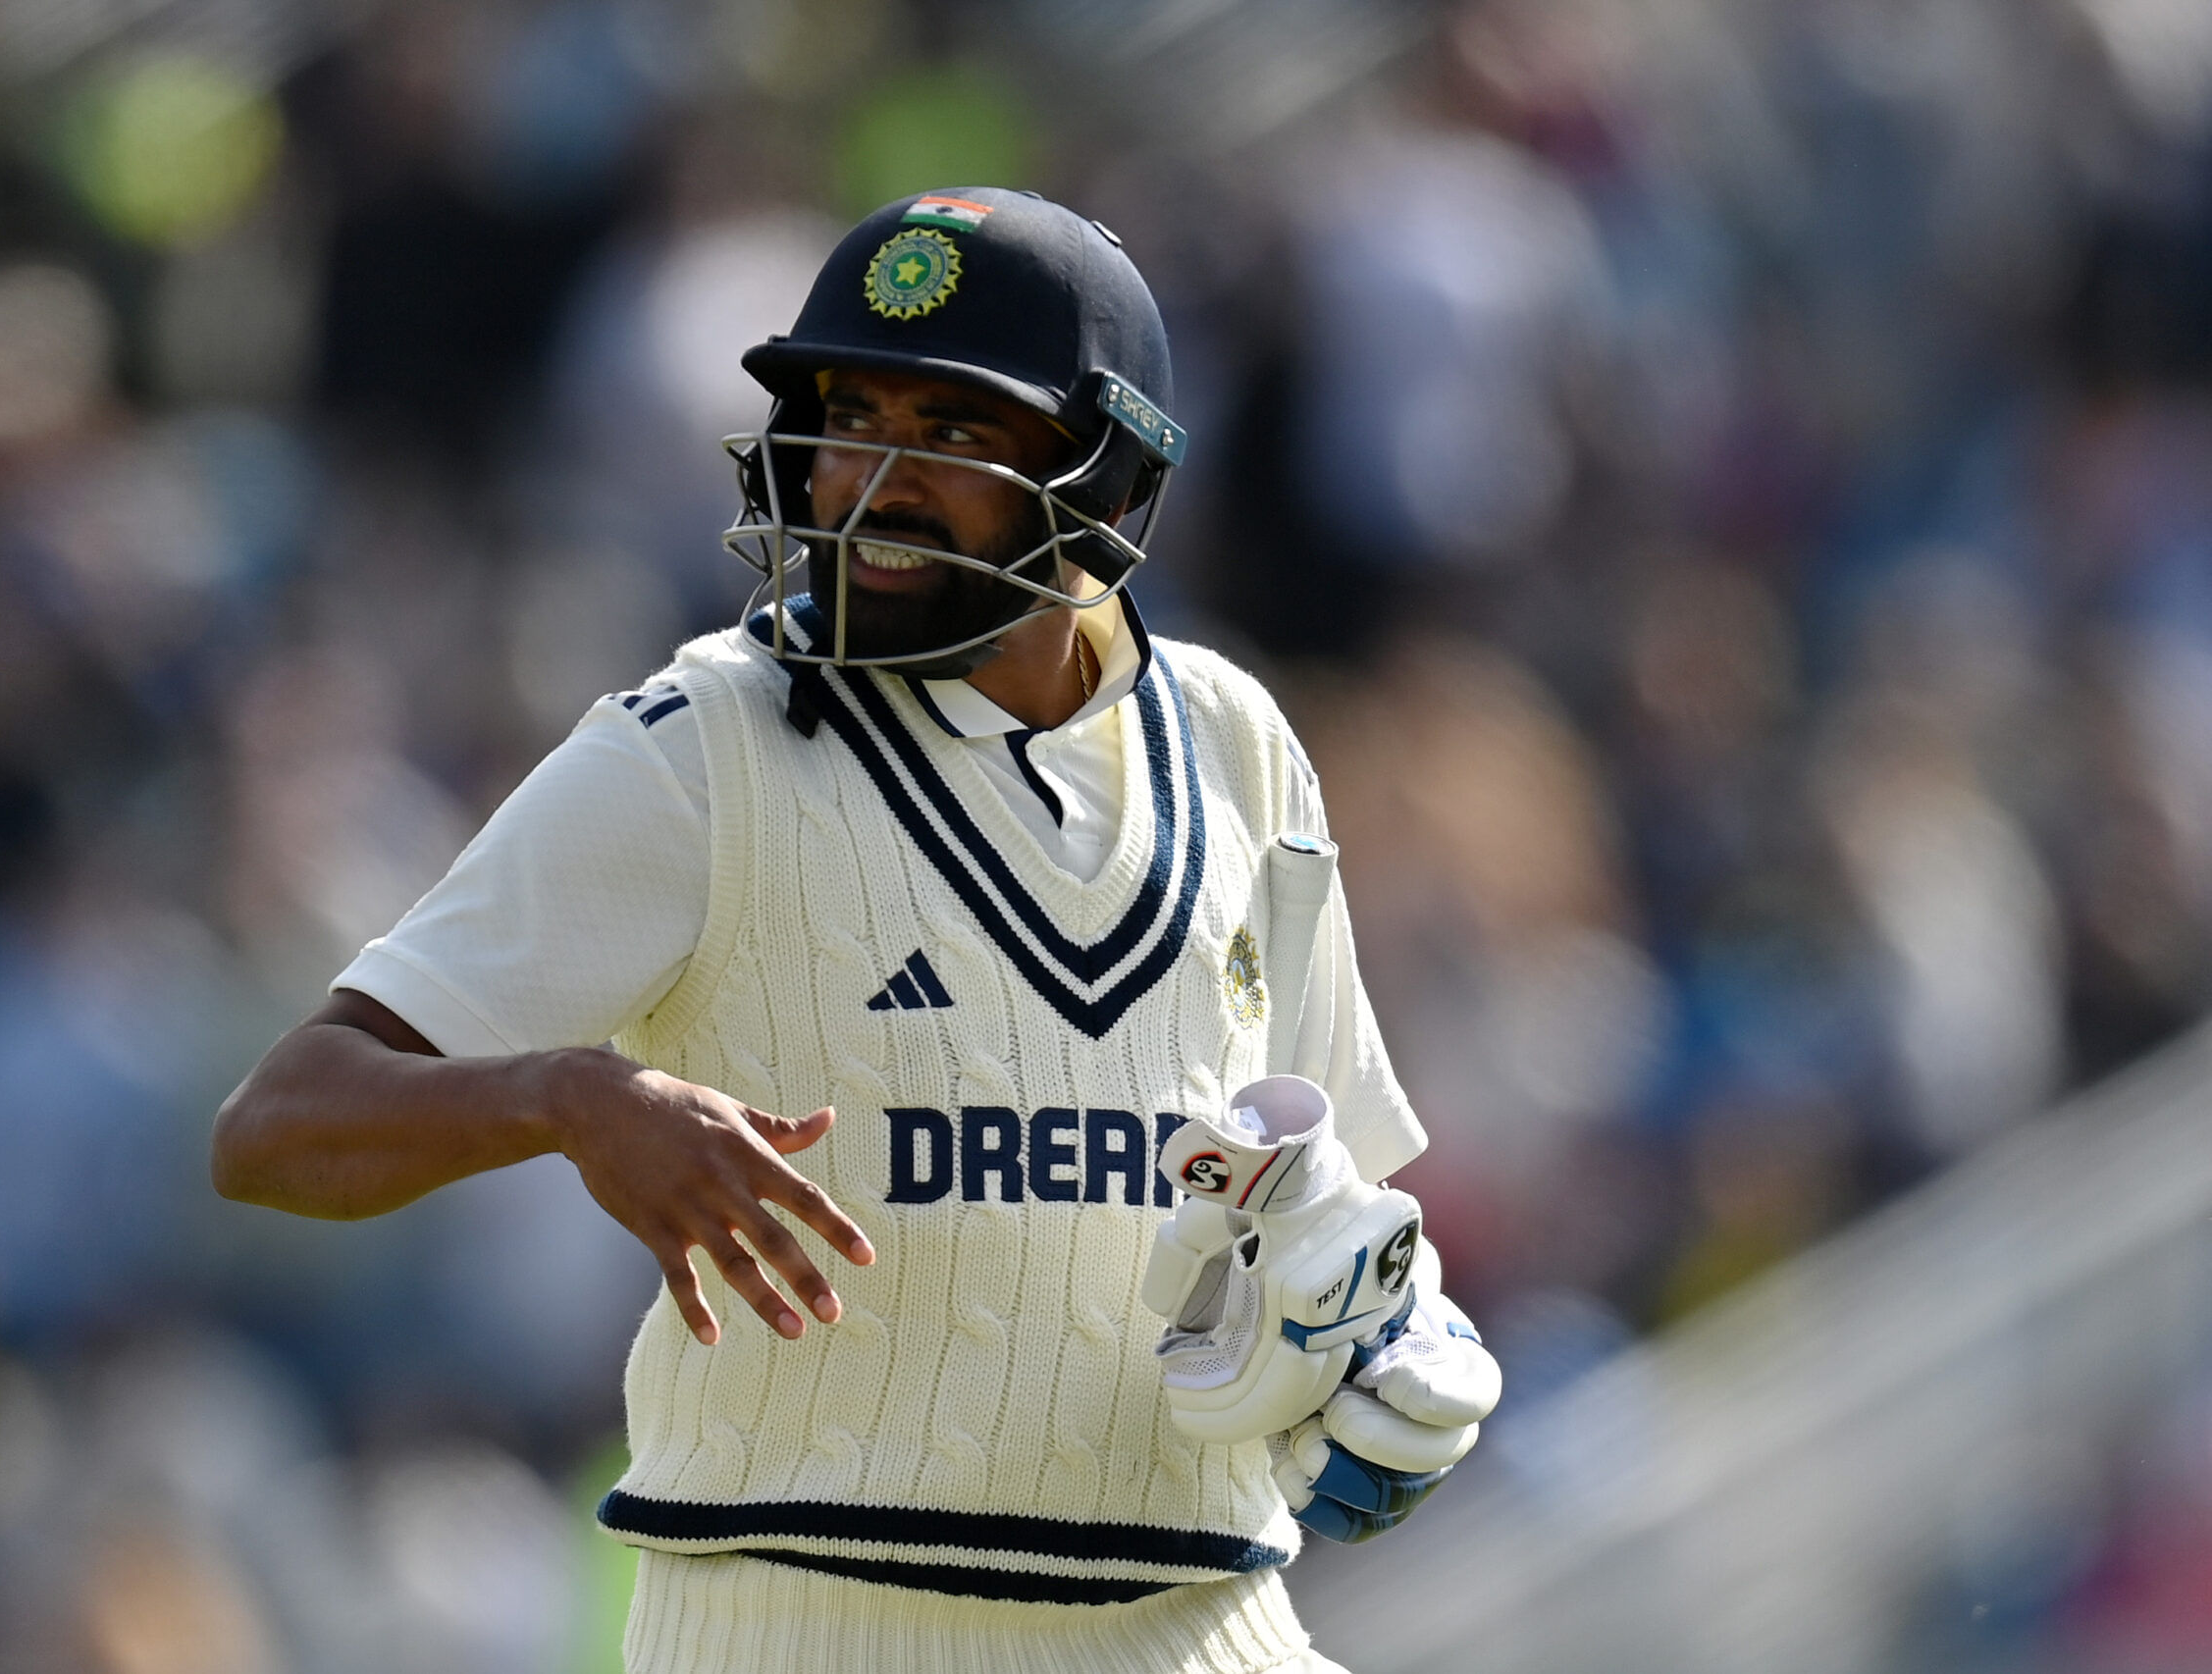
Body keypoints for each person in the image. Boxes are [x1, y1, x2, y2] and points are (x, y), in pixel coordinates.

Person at [214, 186, 1484, 1673]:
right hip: (808, 1627)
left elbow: (1332, 1180)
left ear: (1108, 474)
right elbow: (280, 1129)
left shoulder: (1236, 740)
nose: (870, 482)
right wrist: (568, 1098)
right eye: (848, 415)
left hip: (1206, 1625)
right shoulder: (696, 749)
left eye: (950, 434)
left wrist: (1386, 1337)